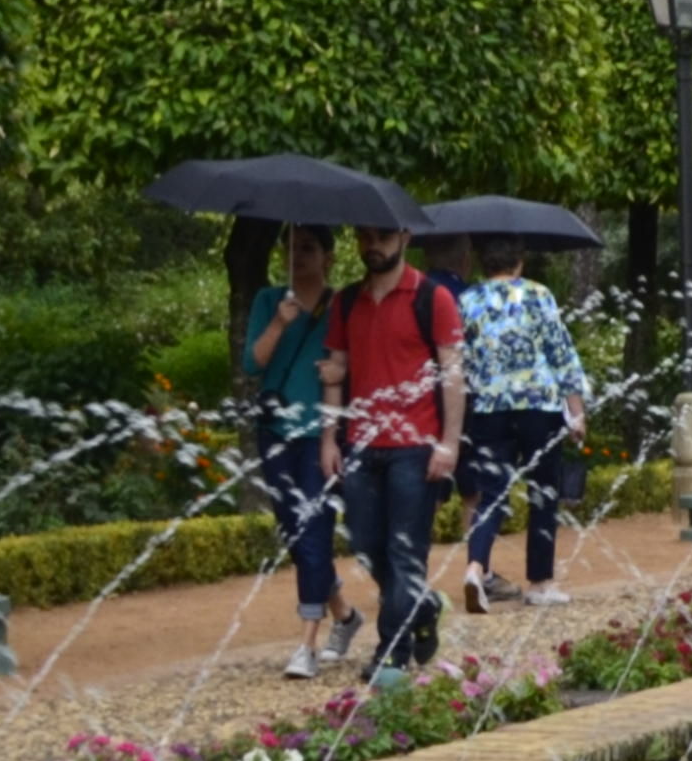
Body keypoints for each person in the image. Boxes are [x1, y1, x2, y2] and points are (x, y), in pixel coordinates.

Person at [329, 222, 462, 674]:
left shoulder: (432, 298)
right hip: (361, 445)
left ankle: (392, 653)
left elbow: (453, 374)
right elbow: (337, 369)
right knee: (366, 546)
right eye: (365, 237)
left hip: (416, 447)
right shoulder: (346, 301)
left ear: (404, 238)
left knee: (405, 552)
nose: (373, 245)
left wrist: (449, 444)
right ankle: (423, 608)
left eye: (383, 237)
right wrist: (330, 439)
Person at [235, 227, 351, 678]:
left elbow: (351, 363)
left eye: (308, 248)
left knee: (314, 530)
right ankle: (344, 614)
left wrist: (338, 373)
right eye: (290, 247)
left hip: (322, 435)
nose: (297, 255)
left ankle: (306, 644)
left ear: (328, 257)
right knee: (294, 532)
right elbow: (252, 362)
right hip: (276, 432)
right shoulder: (270, 300)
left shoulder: (340, 305)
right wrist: (280, 323)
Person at [452, 233, 588, 609]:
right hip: (538, 407)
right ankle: (540, 584)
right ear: (520, 261)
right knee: (542, 493)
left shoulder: (467, 300)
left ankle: (476, 568)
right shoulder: (538, 294)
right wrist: (576, 411)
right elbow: (561, 354)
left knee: (491, 493)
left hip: (489, 408)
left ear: (484, 262)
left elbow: (458, 360)